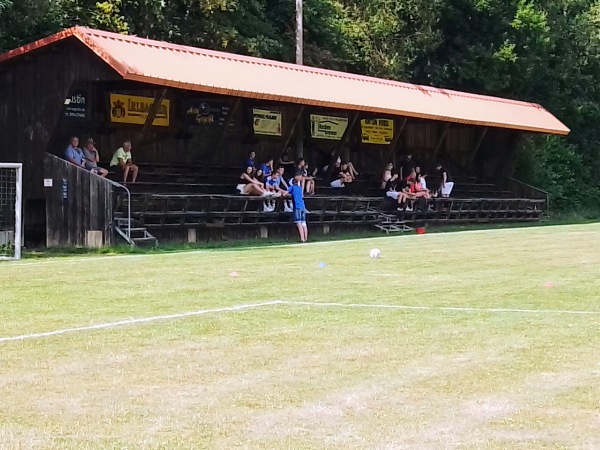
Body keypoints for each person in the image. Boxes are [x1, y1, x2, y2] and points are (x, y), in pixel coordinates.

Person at [288, 177, 308, 243]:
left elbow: (286, 193)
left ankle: (302, 239)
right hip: (303, 206)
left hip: (297, 207)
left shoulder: (292, 187)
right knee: (304, 223)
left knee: (298, 223)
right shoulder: (300, 188)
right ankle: (306, 238)